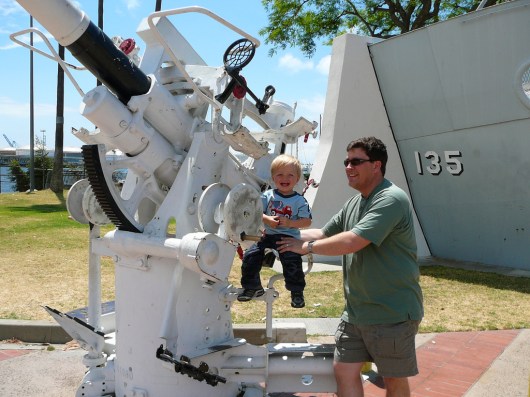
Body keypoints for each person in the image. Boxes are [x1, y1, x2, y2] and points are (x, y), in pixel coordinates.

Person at [277, 137, 423, 396]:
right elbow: (323, 233)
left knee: (394, 380)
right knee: (343, 370)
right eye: (346, 161)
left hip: (392, 313)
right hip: (356, 312)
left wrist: (306, 249)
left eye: (356, 161)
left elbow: (354, 241)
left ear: (376, 165)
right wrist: (279, 234)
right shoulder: (354, 203)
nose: (347, 166)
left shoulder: (391, 199)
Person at [237, 154, 312, 308]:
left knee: (292, 260)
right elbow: (257, 212)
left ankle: (296, 291)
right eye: (280, 174)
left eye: (290, 175)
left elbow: (307, 221)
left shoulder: (299, 201)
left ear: (297, 178)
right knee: (250, 256)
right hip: (268, 236)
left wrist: (291, 223)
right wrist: (267, 219)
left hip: (288, 238)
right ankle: (252, 287)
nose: (285, 178)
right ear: (273, 178)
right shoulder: (267, 196)